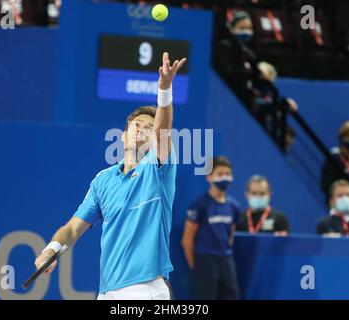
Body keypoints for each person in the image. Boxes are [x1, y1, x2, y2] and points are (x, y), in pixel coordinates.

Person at [33, 52, 187, 300]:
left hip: (145, 289)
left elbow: (163, 131)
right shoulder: (103, 180)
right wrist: (51, 250)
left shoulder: (159, 169)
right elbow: (73, 229)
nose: (142, 130)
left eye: (149, 128)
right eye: (136, 125)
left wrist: (164, 90)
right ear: (123, 136)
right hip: (107, 290)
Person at [181, 156, 240, 300]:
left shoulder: (234, 206)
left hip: (227, 259)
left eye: (227, 174)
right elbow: (187, 240)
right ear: (209, 177)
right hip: (205, 261)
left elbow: (231, 233)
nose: (224, 178)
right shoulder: (199, 205)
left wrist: (226, 250)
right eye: (220, 174)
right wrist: (196, 267)